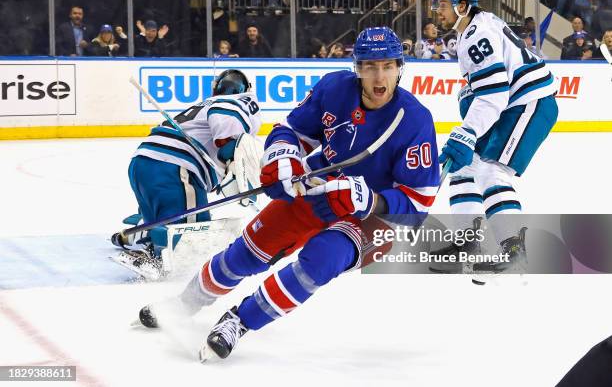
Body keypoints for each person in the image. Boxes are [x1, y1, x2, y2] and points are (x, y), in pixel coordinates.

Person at [137, 27, 440, 361]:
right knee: (247, 253)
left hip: (373, 216)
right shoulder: (334, 88)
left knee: (322, 258)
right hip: (321, 187)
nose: (379, 76)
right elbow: (291, 130)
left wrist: (370, 200)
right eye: (369, 66)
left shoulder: (415, 121)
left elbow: (417, 206)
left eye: (387, 66)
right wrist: (283, 155)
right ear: (357, 67)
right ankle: (183, 305)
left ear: (400, 67)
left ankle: (239, 321)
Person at [429, 0, 558, 274]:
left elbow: (494, 94)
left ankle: (514, 249)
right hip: (512, 104)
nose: (438, 10)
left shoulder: (477, 34)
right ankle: (469, 243)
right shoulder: (471, 28)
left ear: (462, 5)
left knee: (491, 171)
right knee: (464, 166)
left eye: (443, 4)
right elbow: (482, 89)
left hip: (530, 103)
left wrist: (467, 132)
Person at [112, 70, 263, 280]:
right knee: (193, 234)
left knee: (181, 220)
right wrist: (233, 160)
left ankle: (140, 235)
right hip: (175, 169)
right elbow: (227, 134)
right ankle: (151, 258)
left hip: (143, 164)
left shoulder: (203, 105)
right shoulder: (234, 102)